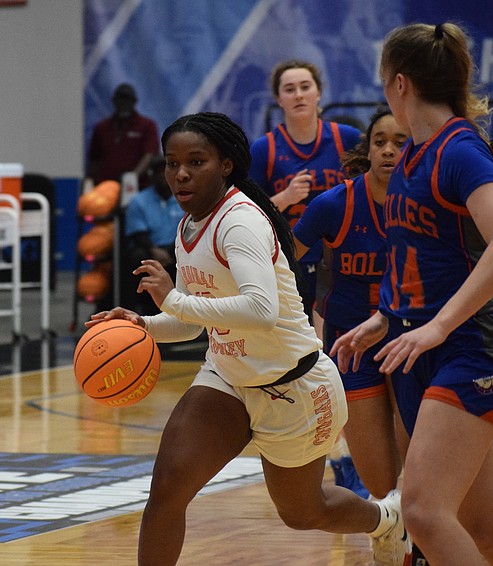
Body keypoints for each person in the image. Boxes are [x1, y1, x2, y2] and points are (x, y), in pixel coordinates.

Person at [88, 112, 408, 566]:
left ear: (226, 165)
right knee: (167, 488)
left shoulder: (239, 223)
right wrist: (144, 327)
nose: (180, 173)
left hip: (294, 385)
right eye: (171, 162)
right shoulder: (188, 227)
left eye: (195, 161)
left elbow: (261, 311)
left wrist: (174, 301)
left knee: (302, 512)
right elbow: (196, 322)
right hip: (228, 375)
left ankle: (386, 520)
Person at [331, 23, 493, 565]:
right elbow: (424, 260)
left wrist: (439, 325)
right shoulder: (411, 157)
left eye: (384, 83)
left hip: (474, 349)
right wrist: (388, 317)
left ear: (399, 84)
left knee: (423, 513)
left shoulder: (461, 150)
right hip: (420, 347)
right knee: (488, 528)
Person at [249, 60, 365, 497]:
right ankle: (321, 457)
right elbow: (245, 210)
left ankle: (355, 458)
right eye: (289, 88)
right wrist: (285, 197)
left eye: (305, 86)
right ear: (278, 99)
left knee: (347, 364)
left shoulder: (347, 140)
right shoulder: (265, 150)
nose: (298, 94)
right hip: (289, 269)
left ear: (319, 92)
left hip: (344, 268)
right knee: (305, 370)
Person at [292, 108, 409, 500]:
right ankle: (395, 543)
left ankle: (421, 550)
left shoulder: (429, 203)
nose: (389, 151)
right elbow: (278, 256)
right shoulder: (333, 205)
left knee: (419, 478)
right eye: (380, 142)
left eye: (400, 142)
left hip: (410, 341)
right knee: (379, 483)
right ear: (369, 149)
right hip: (350, 344)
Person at [122, 155, 183, 315]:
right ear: (151, 175)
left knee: (191, 255)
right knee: (136, 258)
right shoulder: (139, 201)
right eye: (158, 172)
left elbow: (188, 229)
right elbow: (137, 232)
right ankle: (130, 312)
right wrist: (153, 250)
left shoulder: (184, 197)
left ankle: (189, 314)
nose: (163, 176)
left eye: (167, 171)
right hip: (149, 247)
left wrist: (170, 251)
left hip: (176, 247)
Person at [86, 83, 159, 187]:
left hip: (137, 186)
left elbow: (149, 154)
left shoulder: (146, 126)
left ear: (134, 102)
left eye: (127, 99)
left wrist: (133, 177)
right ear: (114, 101)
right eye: (120, 99)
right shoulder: (102, 127)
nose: (123, 103)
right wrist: (92, 182)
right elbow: (94, 159)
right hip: (105, 187)